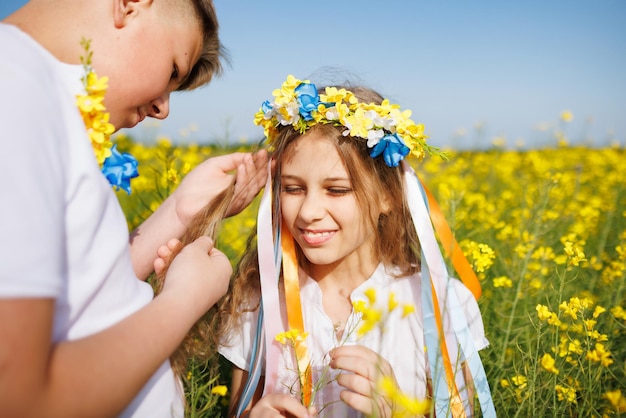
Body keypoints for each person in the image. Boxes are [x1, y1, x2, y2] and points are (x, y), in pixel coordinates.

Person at [0, 1, 267, 417]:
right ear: (129, 5)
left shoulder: (35, 94)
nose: (163, 108)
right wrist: (183, 299)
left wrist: (180, 210)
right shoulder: (17, 93)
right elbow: (20, 397)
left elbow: (78, 302)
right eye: (174, 70)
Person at [209, 75, 496, 417]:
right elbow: (240, 409)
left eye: (338, 190)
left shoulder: (439, 305)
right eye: (293, 188)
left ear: (388, 196)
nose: (309, 212)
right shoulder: (259, 301)